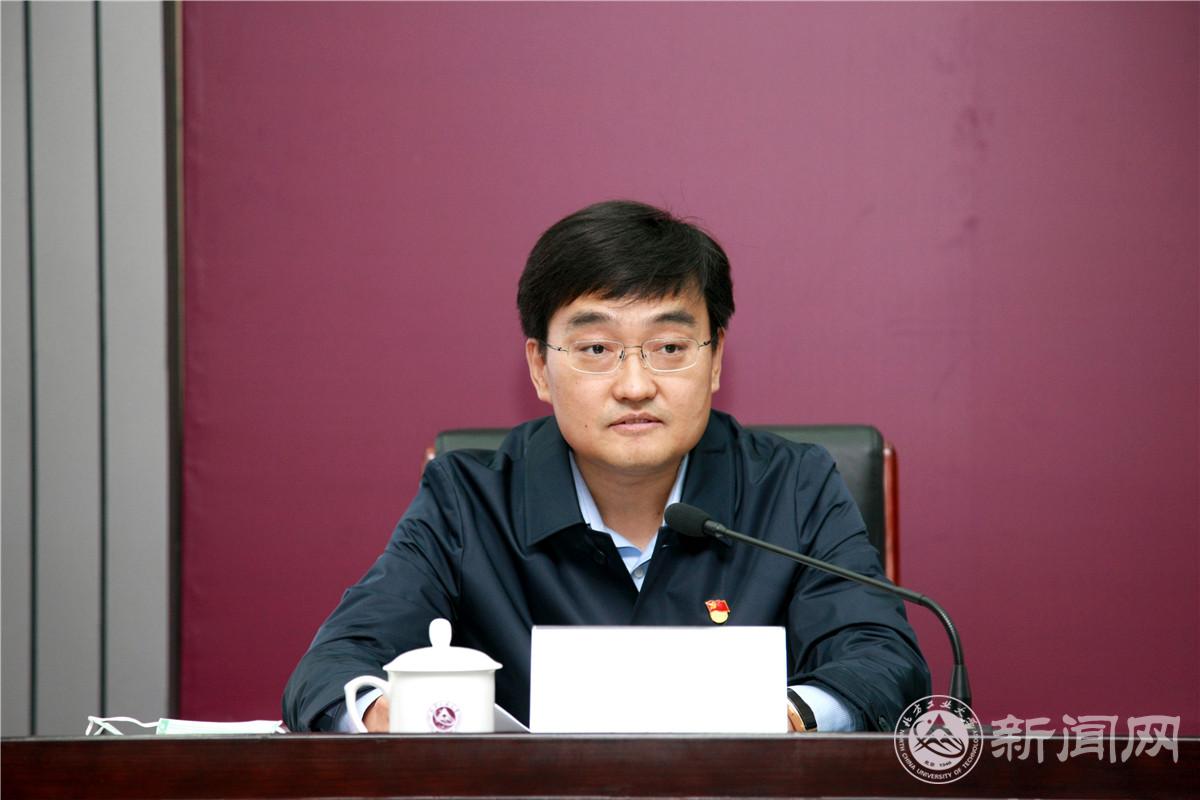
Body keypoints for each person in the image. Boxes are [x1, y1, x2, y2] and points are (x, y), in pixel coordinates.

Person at [283, 200, 930, 733]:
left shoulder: (793, 488)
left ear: (715, 360)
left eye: (669, 346)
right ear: (540, 368)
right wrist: (383, 714)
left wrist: (783, 718)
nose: (635, 385)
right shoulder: (468, 501)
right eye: (596, 349)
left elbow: (883, 661)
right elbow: (335, 667)